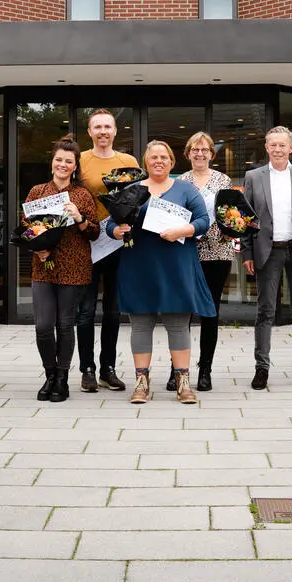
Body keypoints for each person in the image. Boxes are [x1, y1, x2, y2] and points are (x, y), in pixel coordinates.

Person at [108, 141, 214, 404]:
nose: (159, 161)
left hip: (176, 265)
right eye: (154, 157)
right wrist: (116, 230)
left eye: (164, 157)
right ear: (146, 162)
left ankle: (183, 383)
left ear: (171, 161)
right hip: (139, 265)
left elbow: (203, 221)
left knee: (178, 324)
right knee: (141, 324)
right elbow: (112, 222)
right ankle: (141, 384)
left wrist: (183, 230)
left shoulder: (185, 189)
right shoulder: (132, 189)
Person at [242, 126, 292, 390]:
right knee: (265, 311)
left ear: (291, 148)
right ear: (267, 147)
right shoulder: (253, 177)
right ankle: (261, 368)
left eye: (282, 145)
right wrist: (247, 253)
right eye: (272, 145)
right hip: (268, 251)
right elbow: (246, 220)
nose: (277, 149)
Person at [24, 136, 99, 403]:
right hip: (44, 266)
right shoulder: (37, 192)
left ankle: (63, 378)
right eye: (59, 160)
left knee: (65, 324)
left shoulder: (81, 194)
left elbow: (94, 232)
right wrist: (37, 247)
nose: (63, 165)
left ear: (75, 165)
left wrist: (79, 217)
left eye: (69, 161)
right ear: (52, 162)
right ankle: (50, 373)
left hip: (74, 266)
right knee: (43, 325)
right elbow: (26, 229)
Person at [76, 109, 139, 394]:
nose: (103, 131)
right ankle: (87, 369)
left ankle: (108, 368)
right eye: (97, 127)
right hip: (87, 242)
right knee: (86, 310)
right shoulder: (80, 161)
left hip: (117, 243)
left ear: (115, 131)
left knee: (113, 310)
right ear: (89, 132)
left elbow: (138, 198)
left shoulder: (128, 162)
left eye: (107, 127)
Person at [177, 131, 234, 392]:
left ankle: (205, 371)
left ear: (212, 154)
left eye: (205, 150)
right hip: (186, 251)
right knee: (182, 313)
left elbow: (232, 215)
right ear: (187, 154)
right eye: (195, 150)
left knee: (210, 311)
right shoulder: (179, 182)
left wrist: (232, 227)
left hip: (218, 250)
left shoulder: (223, 180)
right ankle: (178, 370)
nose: (200, 154)